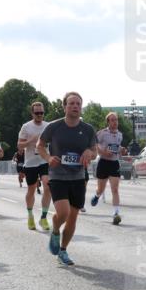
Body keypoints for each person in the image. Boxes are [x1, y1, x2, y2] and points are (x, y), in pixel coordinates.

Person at [36, 92, 97, 266]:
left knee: (73, 217)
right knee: (63, 213)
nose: (75, 106)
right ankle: (55, 230)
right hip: (58, 176)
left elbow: (94, 151)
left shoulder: (87, 129)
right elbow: (40, 146)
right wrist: (48, 158)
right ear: (64, 107)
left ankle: (63, 250)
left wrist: (89, 153)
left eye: (78, 103)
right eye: (71, 103)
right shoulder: (54, 127)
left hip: (78, 177)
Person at [18, 101, 52, 231]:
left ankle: (43, 217)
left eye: (41, 113)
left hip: (44, 160)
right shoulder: (26, 127)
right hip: (31, 162)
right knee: (31, 189)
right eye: (37, 113)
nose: (39, 115)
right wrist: (32, 140)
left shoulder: (48, 126)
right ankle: (30, 215)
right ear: (32, 113)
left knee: (47, 185)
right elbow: (20, 145)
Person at [90, 112, 126, 225]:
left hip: (114, 163)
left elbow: (117, 147)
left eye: (116, 120)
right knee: (100, 189)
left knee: (115, 189)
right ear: (108, 122)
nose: (115, 122)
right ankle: (96, 196)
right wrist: (103, 152)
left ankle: (116, 213)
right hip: (103, 163)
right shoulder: (102, 133)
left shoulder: (120, 134)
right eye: (113, 120)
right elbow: (94, 144)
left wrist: (122, 150)